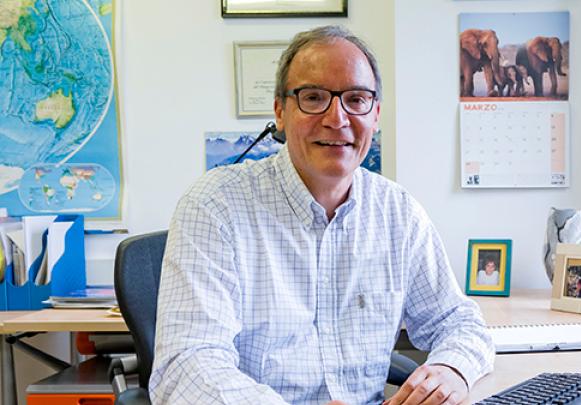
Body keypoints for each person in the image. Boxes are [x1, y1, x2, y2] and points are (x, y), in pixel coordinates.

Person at [149, 25, 494, 405]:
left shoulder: (398, 213)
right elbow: (187, 364)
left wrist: (452, 370)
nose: (337, 118)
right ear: (280, 112)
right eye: (313, 98)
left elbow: (458, 322)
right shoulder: (215, 206)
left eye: (356, 99)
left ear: (375, 114)